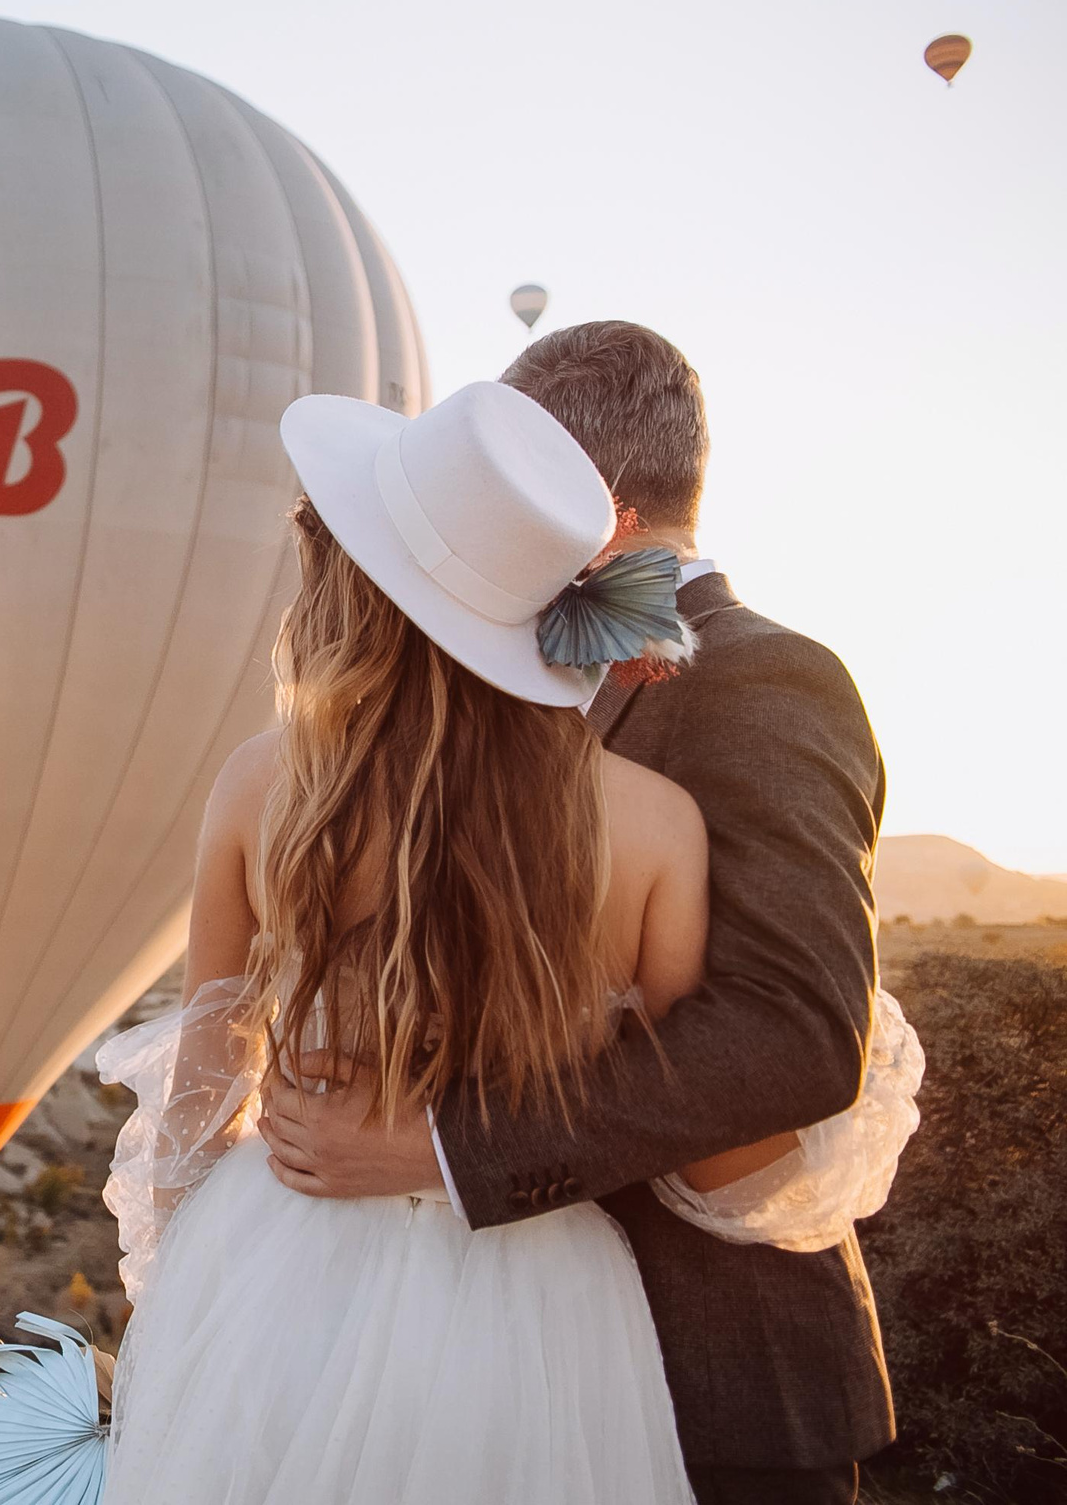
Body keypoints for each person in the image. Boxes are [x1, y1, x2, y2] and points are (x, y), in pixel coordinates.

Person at [90, 376, 918, 1503]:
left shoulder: (264, 784)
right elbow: (730, 1160)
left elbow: (199, 1095)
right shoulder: (648, 825)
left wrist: (200, 1309)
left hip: (294, 1270)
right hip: (554, 1306)